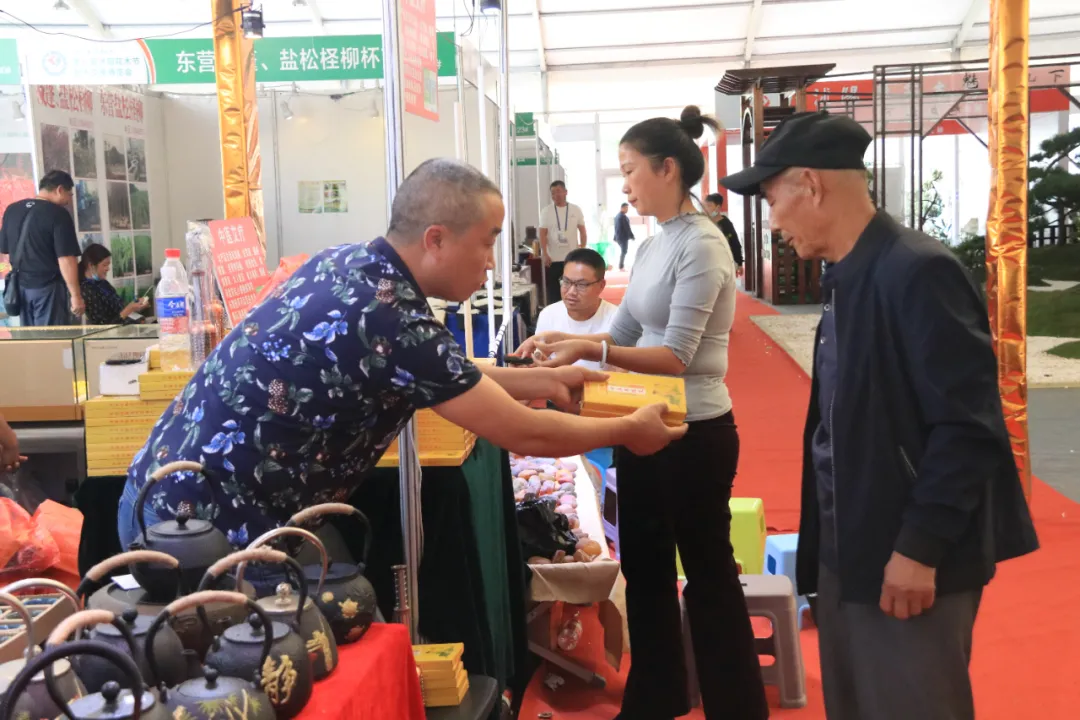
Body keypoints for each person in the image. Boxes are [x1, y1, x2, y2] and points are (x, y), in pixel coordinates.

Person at [117, 158, 685, 553]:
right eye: (487, 241)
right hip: (203, 526)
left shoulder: (348, 264)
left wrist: (554, 380)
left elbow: (447, 373)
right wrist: (625, 430)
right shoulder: (391, 318)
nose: (491, 262)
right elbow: (525, 434)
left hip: (172, 492)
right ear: (435, 238)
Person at [720, 110, 1039, 720]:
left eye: (770, 196)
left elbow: (967, 428)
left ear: (810, 185)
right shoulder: (850, 274)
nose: (770, 218)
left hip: (909, 555)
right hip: (854, 546)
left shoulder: (916, 271)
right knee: (857, 702)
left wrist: (920, 547)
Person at [517, 105, 768, 720]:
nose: (625, 184)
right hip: (642, 425)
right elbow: (622, 331)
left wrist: (590, 347)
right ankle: (657, 696)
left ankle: (736, 705)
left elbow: (676, 356)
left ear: (668, 168)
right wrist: (564, 357)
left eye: (630, 171)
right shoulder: (655, 245)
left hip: (696, 431)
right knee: (646, 567)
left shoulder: (704, 245)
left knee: (707, 572)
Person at [0, 170, 84, 326]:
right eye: (69, 195)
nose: (68, 200)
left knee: (33, 342)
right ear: (59, 190)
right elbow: (66, 259)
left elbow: (5, 250)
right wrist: (76, 296)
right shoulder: (58, 214)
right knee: (52, 342)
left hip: (20, 289)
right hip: (48, 289)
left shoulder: (12, 210)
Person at [533, 248, 618, 372]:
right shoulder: (548, 314)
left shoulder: (616, 319)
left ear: (601, 286)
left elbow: (622, 370)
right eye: (566, 282)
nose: (571, 291)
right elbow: (540, 363)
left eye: (581, 285)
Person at [538, 180, 586, 305]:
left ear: (565, 192)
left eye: (558, 192)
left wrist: (582, 249)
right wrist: (544, 253)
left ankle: (573, 307)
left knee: (573, 285)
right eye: (553, 193)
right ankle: (555, 310)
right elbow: (542, 234)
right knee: (554, 289)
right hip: (553, 258)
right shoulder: (546, 211)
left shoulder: (575, 210)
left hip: (572, 257)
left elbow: (582, 231)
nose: (556, 195)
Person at [78, 243, 150, 325]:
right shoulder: (86, 290)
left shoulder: (103, 283)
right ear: (91, 265)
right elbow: (105, 326)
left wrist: (135, 306)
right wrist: (129, 309)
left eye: (108, 265)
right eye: (104, 265)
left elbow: (119, 309)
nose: (108, 269)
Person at [704, 193, 743, 275]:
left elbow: (735, 243)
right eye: (705, 206)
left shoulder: (726, 224)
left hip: (724, 266)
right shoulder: (704, 223)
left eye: (709, 206)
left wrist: (739, 263)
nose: (706, 209)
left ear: (718, 208)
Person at [613, 202, 634, 270]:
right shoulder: (623, 217)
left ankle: (621, 266)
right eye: (626, 208)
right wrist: (631, 236)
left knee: (623, 251)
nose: (627, 210)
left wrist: (615, 237)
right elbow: (627, 227)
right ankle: (621, 266)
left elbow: (616, 227)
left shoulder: (617, 216)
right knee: (624, 251)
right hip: (623, 237)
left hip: (618, 237)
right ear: (622, 208)